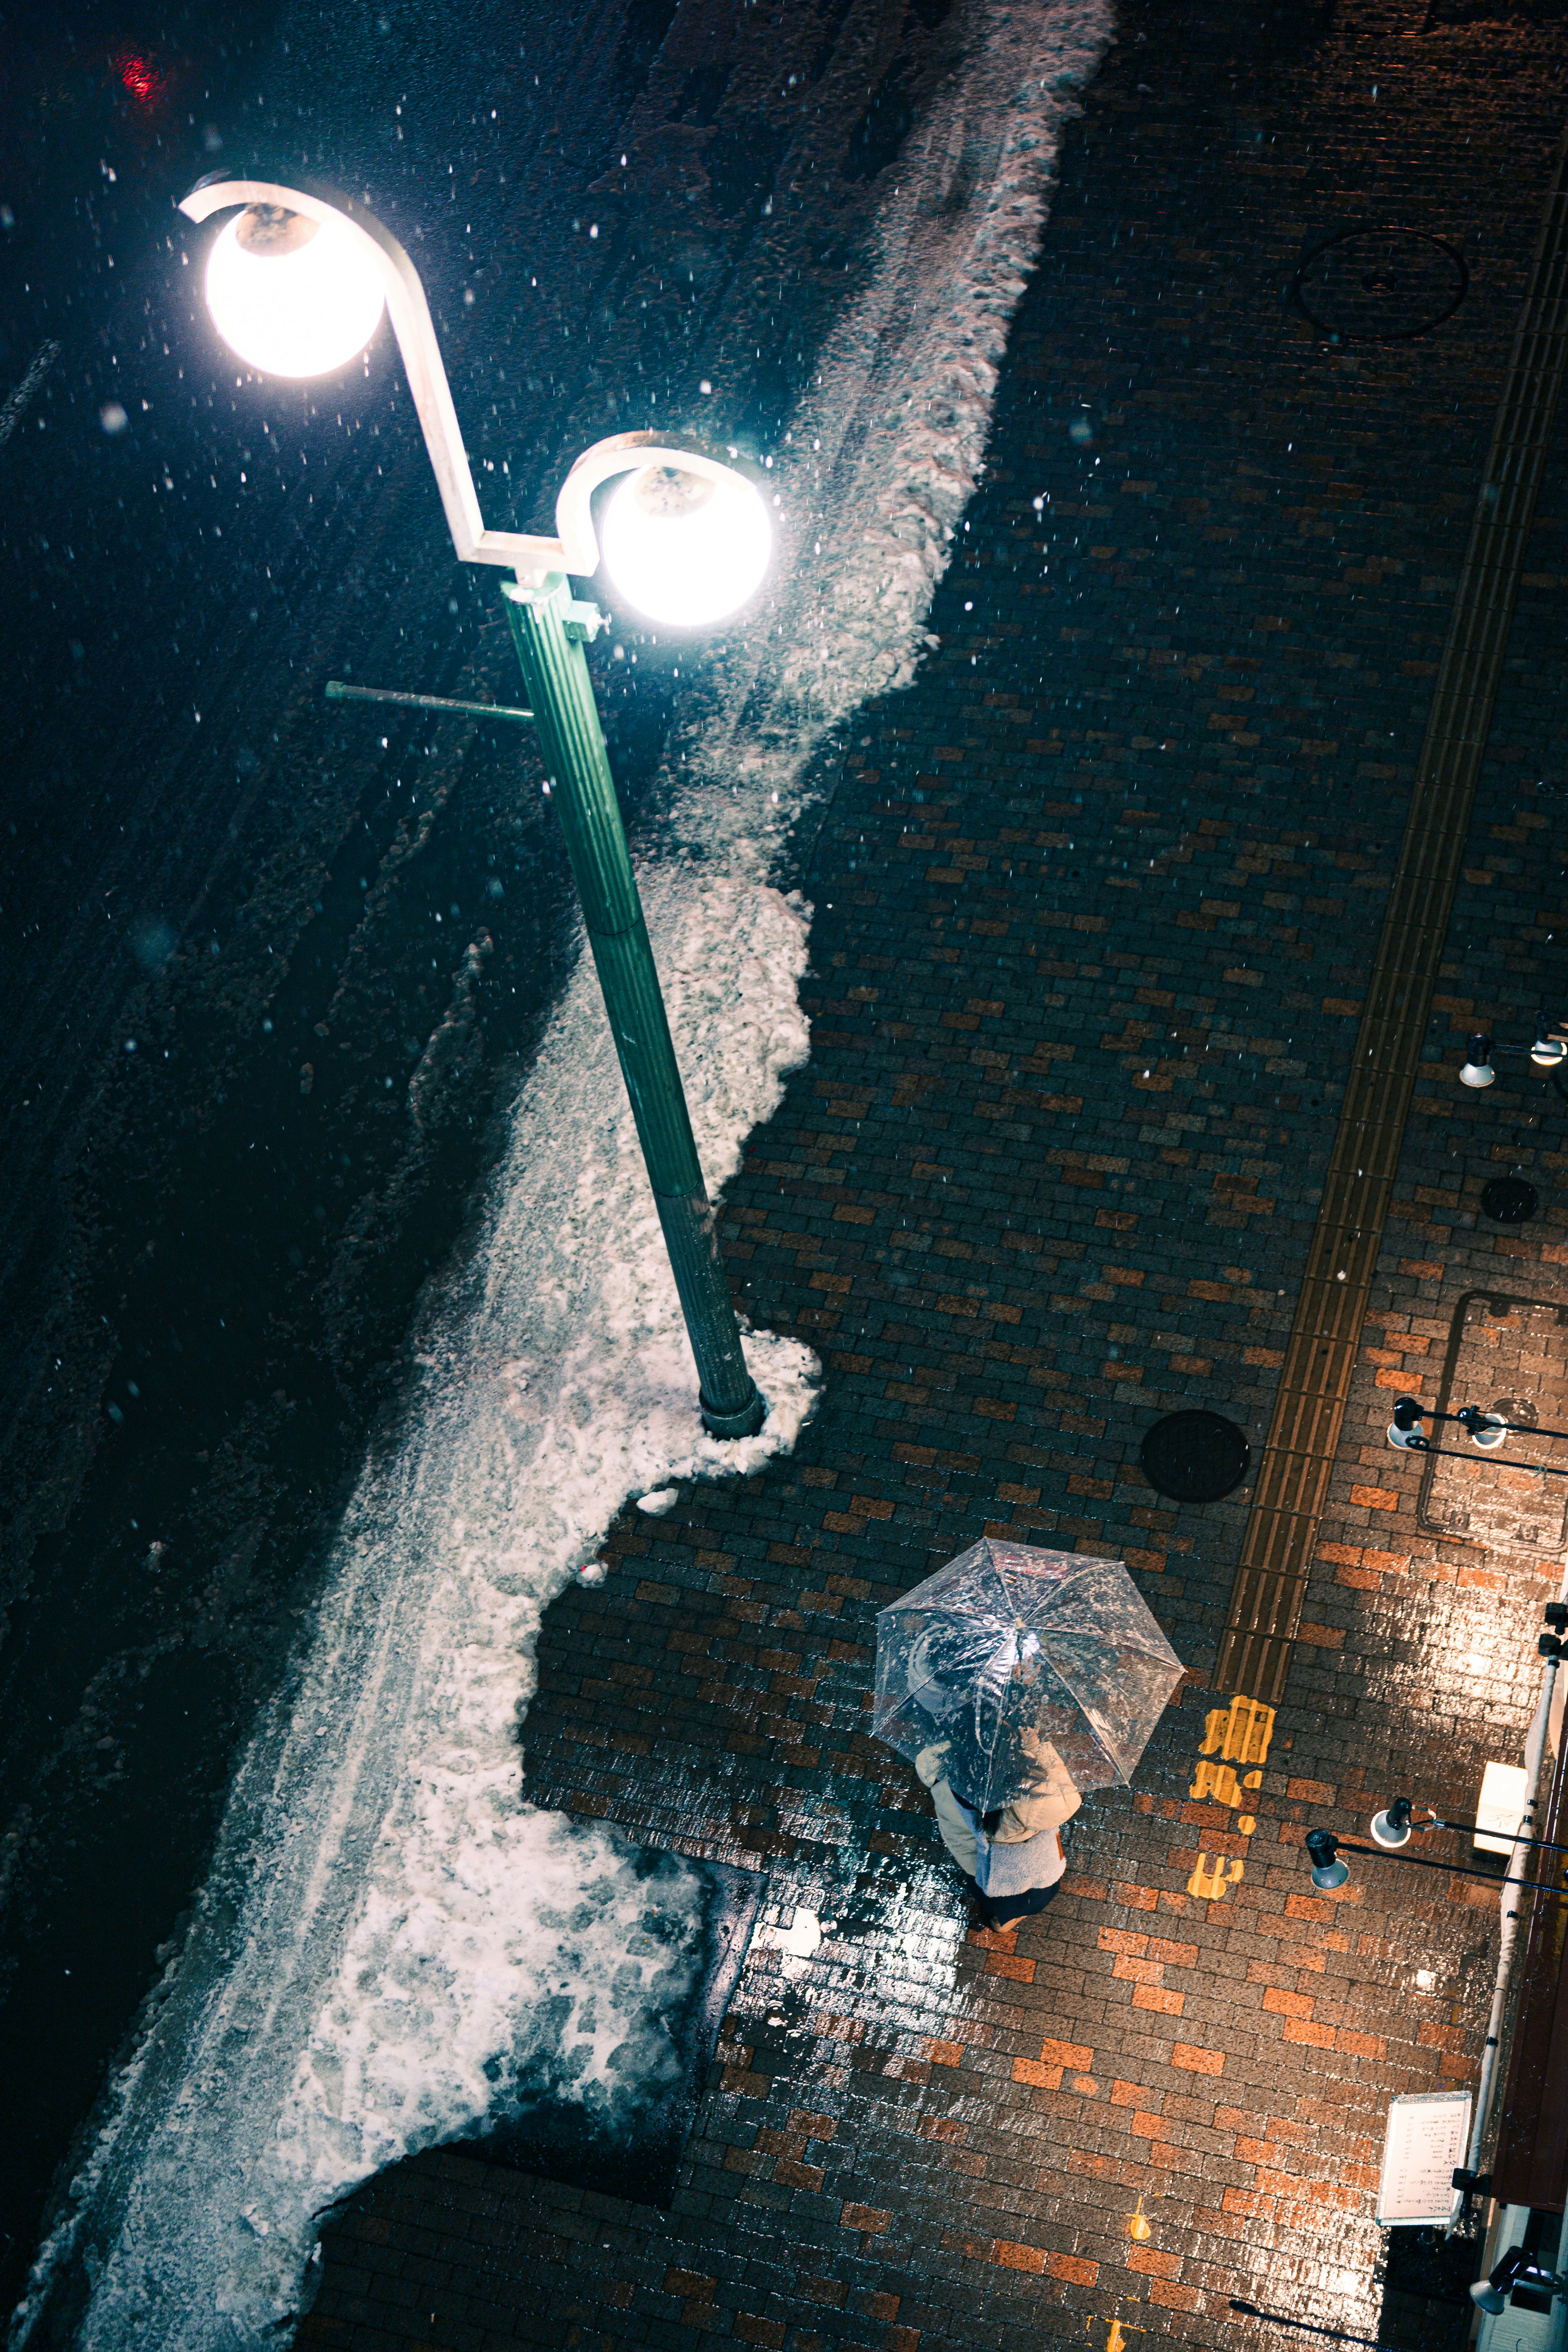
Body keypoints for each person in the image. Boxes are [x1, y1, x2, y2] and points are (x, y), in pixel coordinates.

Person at [915, 1727, 1081, 1930]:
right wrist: (1035, 1746)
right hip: (1037, 1863)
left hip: (989, 1871)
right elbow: (1066, 1791)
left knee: (993, 1898)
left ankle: (1002, 1921)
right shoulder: (1038, 1792)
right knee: (1032, 1896)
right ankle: (1008, 1920)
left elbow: (956, 1838)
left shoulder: (947, 1789)